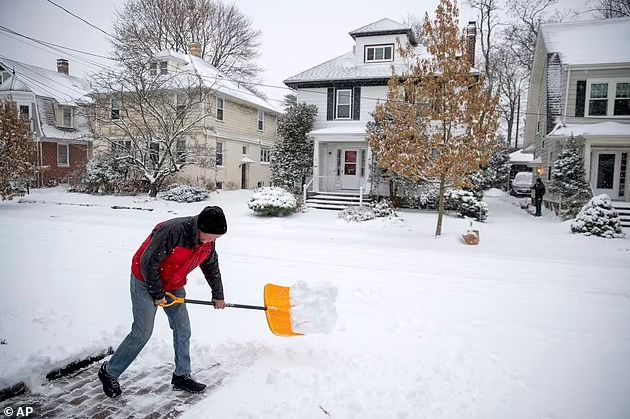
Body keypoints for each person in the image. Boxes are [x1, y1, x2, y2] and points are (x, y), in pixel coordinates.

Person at [98, 206, 228, 398]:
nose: (212, 241)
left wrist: (218, 295)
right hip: (145, 280)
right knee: (142, 332)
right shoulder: (173, 231)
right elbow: (148, 262)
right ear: (199, 227)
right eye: (210, 236)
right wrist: (158, 293)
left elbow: (211, 266)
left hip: (173, 283)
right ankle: (109, 372)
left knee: (183, 329)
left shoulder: (208, 241)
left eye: (216, 238)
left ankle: (182, 376)